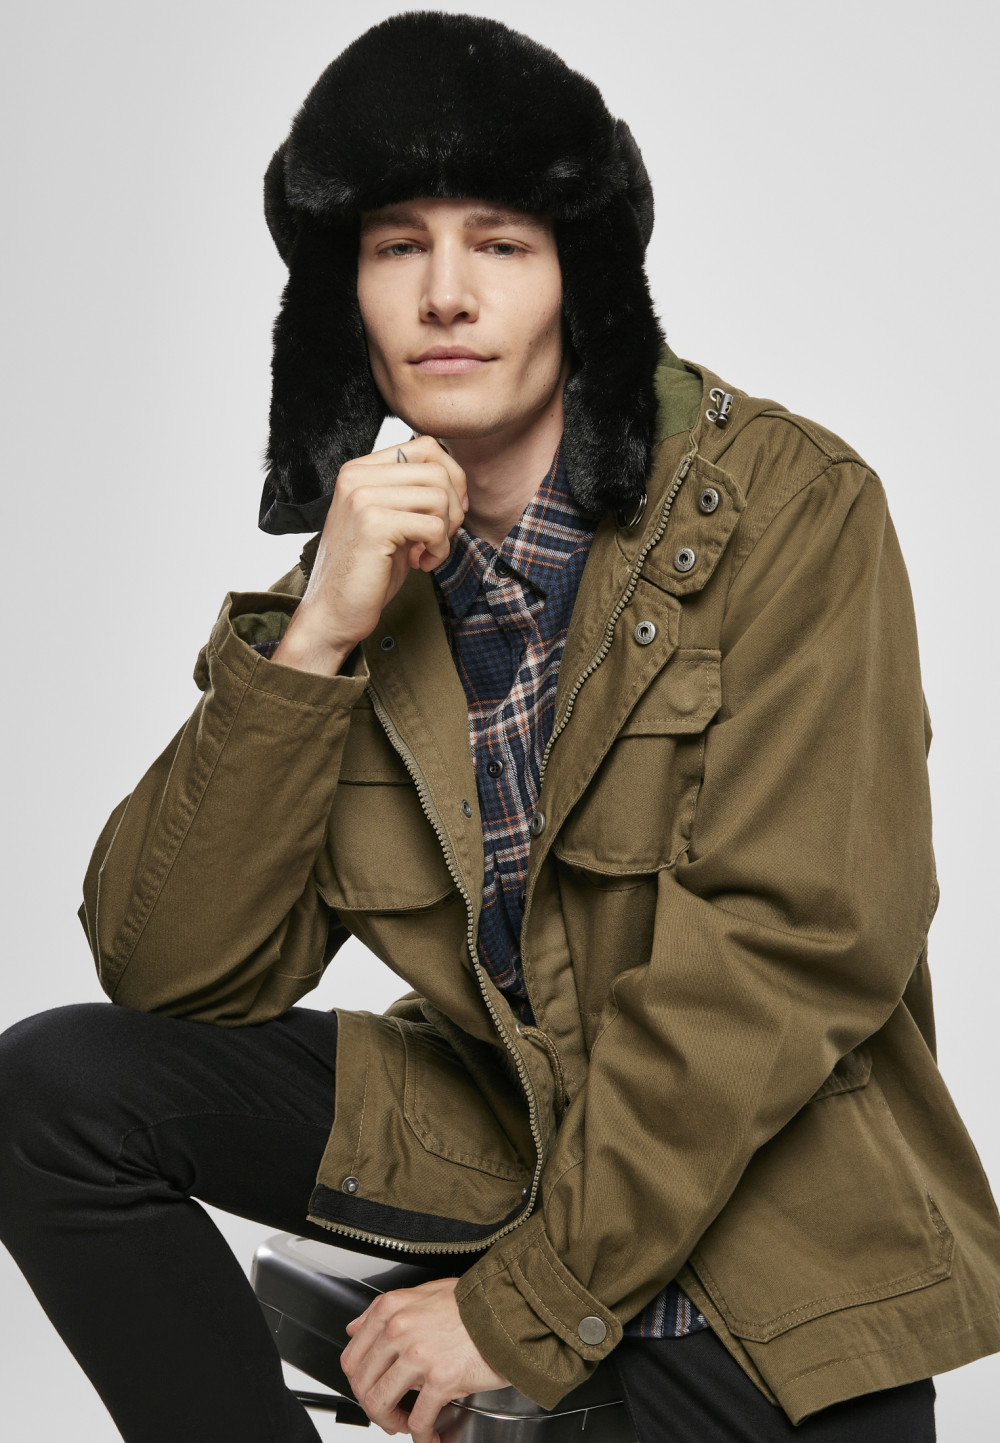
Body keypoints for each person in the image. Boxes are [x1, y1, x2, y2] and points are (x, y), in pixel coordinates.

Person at [1, 11, 998, 1443]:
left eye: (503, 244)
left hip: (765, 1229)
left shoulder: (795, 507)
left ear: (579, 276)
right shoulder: (359, 579)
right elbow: (170, 972)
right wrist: (315, 640)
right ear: (344, 295)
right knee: (54, 1092)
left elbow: (795, 946)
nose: (447, 296)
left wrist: (511, 1310)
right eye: (397, 247)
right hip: (501, 1134)